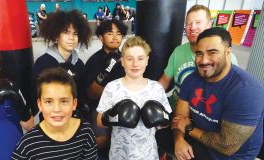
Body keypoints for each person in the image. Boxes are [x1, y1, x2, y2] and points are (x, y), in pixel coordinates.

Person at [171, 27, 264, 160]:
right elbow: (179, 117)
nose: (203, 60)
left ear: (228, 53)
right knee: (160, 135)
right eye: (199, 53)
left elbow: (227, 146)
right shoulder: (192, 79)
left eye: (212, 53)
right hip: (201, 142)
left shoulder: (247, 90)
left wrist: (189, 128)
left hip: (232, 157)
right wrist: (179, 141)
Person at [96, 36, 172, 159]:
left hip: (148, 155)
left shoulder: (156, 88)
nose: (135, 64)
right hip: (119, 154)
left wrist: (161, 119)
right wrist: (112, 116)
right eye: (129, 59)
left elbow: (166, 122)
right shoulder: (112, 87)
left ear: (147, 60)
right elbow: (99, 121)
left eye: (140, 59)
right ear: (122, 61)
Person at [158, 4, 238, 109]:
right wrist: (148, 96)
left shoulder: (227, 57)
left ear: (209, 25)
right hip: (176, 109)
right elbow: (165, 80)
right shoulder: (178, 52)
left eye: (198, 22)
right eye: (189, 23)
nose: (192, 27)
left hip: (207, 116)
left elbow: (233, 94)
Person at [12, 68, 98, 159]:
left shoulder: (85, 132)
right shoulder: (27, 145)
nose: (57, 109)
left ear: (74, 104)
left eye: (64, 101)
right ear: (40, 105)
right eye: (49, 102)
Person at [31, 9, 91, 122]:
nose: (71, 38)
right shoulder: (43, 63)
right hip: (51, 121)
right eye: (66, 32)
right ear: (56, 36)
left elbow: (83, 97)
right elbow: (35, 98)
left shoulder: (79, 64)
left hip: (76, 121)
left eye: (75, 34)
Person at [85, 19, 127, 158]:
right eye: (110, 33)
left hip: (124, 105)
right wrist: (106, 71)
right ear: (101, 37)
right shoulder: (94, 60)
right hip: (100, 106)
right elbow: (92, 95)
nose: (115, 37)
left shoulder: (127, 59)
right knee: (101, 141)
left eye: (119, 33)